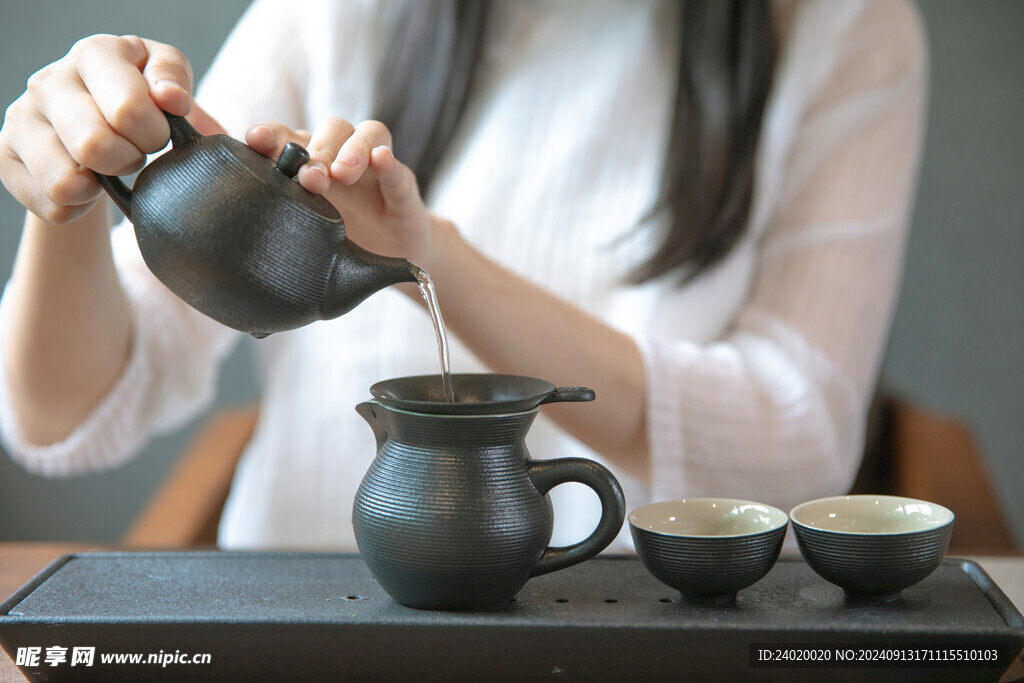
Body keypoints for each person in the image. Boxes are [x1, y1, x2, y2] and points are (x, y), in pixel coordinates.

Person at [0, 0, 926, 550]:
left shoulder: (840, 28)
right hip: (297, 631)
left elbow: (796, 436)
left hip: (622, 634)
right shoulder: (334, 15)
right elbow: (65, 417)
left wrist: (429, 256)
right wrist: (73, 191)